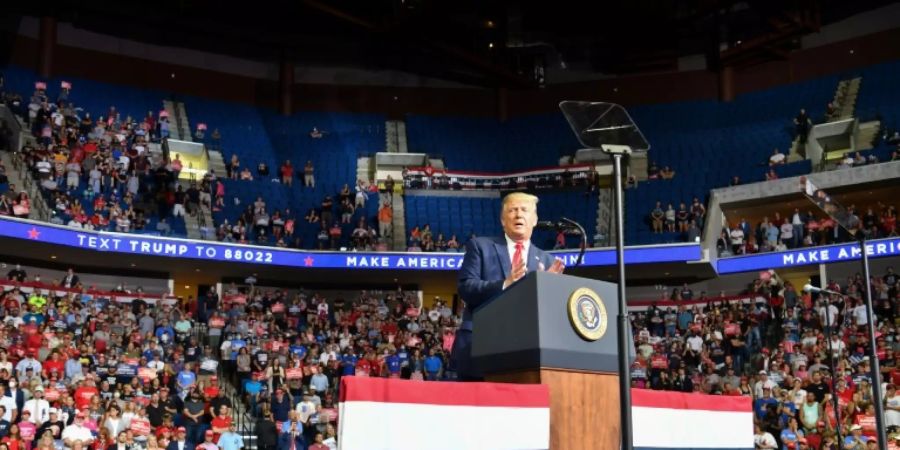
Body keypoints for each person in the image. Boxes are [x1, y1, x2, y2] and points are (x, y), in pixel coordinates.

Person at [452, 192, 564, 380]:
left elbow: (549, 313)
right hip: (481, 345)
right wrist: (506, 284)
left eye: (524, 210)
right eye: (513, 210)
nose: (519, 215)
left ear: (535, 220)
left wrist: (547, 289)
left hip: (527, 351)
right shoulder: (480, 246)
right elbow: (466, 287)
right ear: (503, 220)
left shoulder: (547, 260)